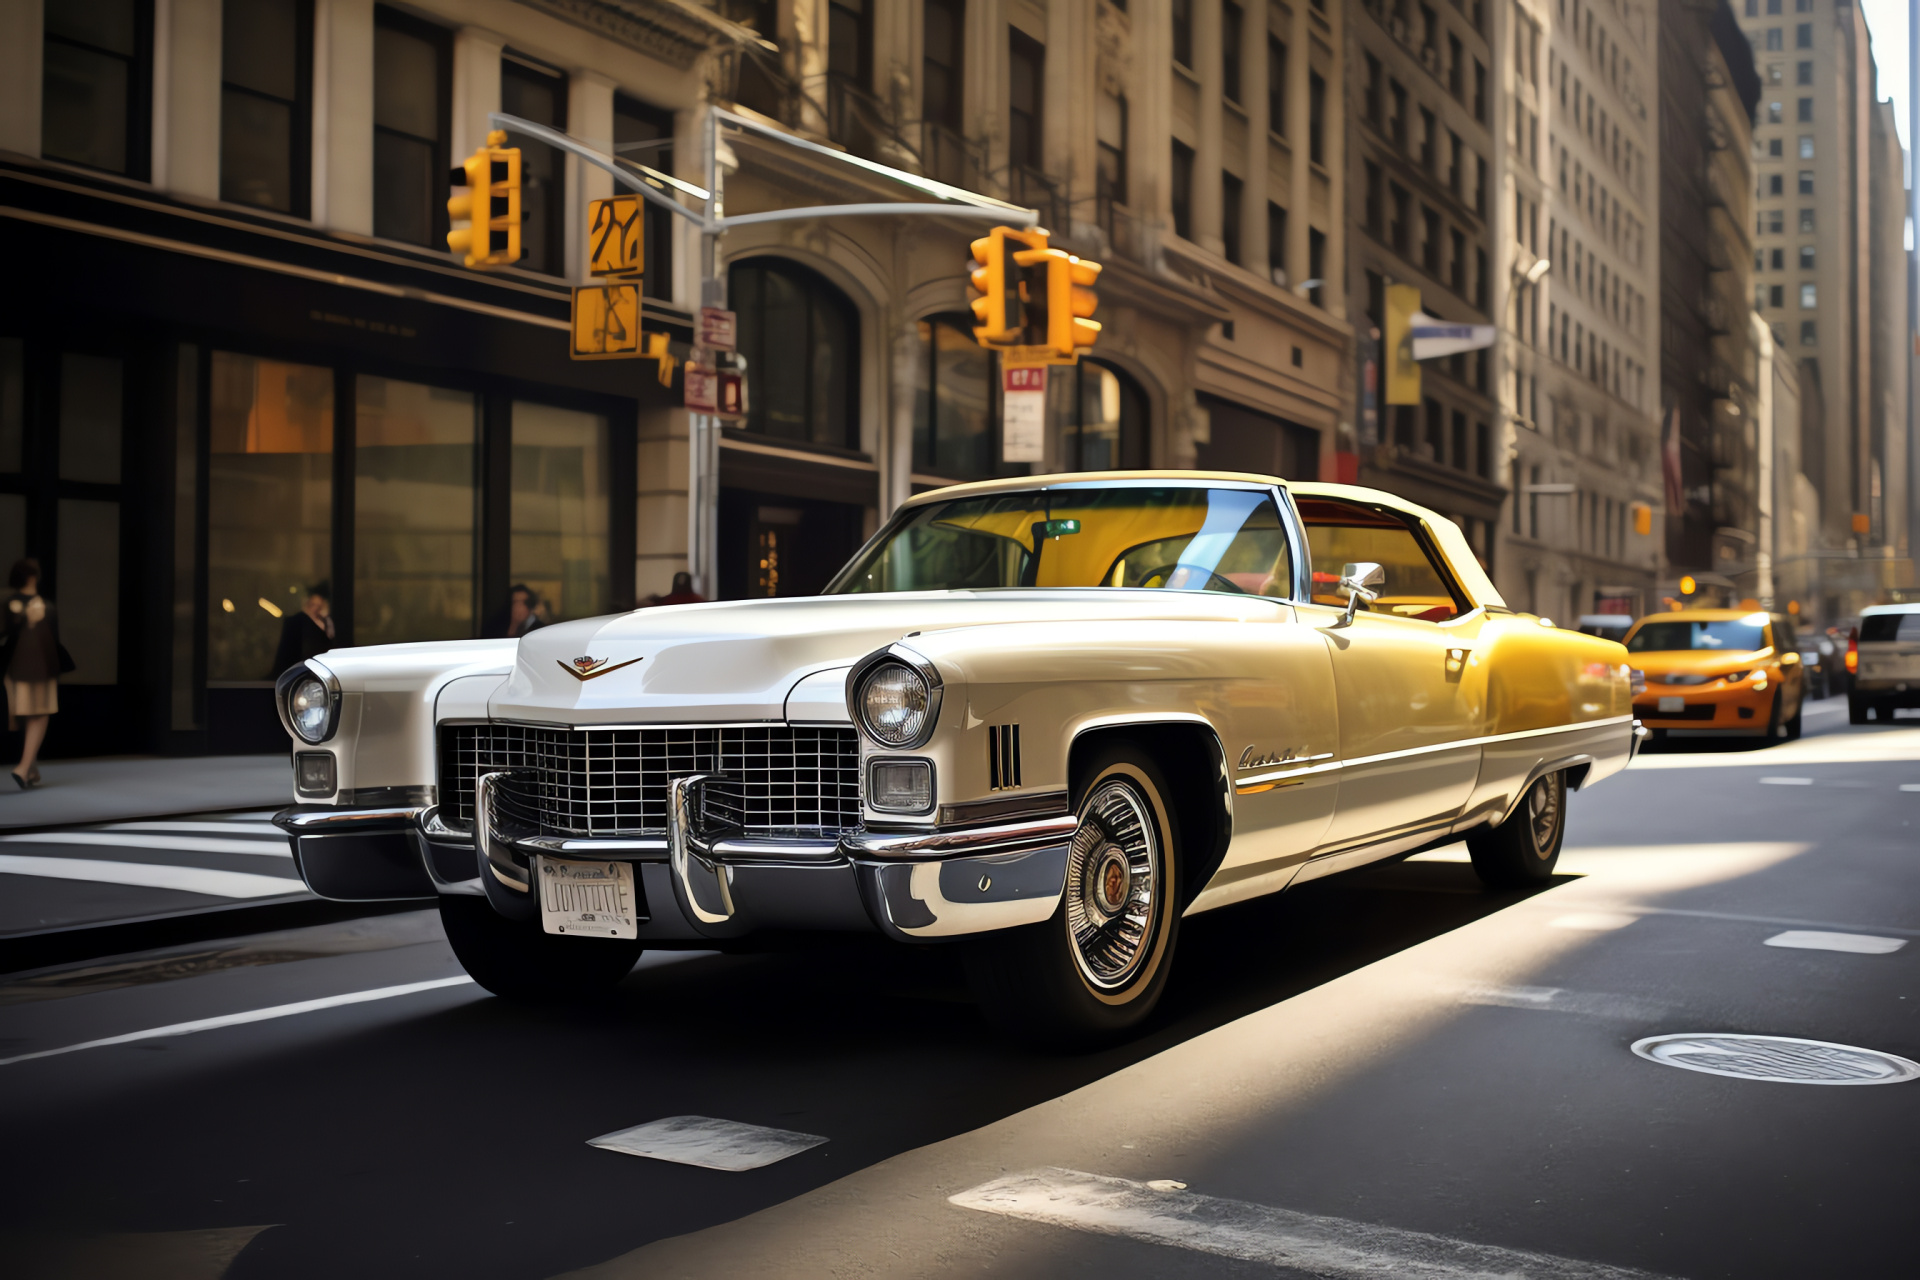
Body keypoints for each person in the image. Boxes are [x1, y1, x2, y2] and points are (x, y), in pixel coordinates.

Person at [1, 558, 62, 790]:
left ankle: (31, 768)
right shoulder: (45, 606)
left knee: (29, 714)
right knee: (39, 714)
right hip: (39, 666)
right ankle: (23, 767)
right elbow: (54, 641)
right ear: (33, 577)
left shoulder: (9, 603)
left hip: (13, 668)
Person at [271, 582, 334, 678]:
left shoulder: (324, 622)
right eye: (313, 605)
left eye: (318, 606)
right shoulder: (297, 622)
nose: (315, 608)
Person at [483, 584, 547, 638]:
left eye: (523, 603)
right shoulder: (497, 625)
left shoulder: (540, 630)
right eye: (515, 602)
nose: (518, 607)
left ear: (530, 606)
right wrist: (514, 625)